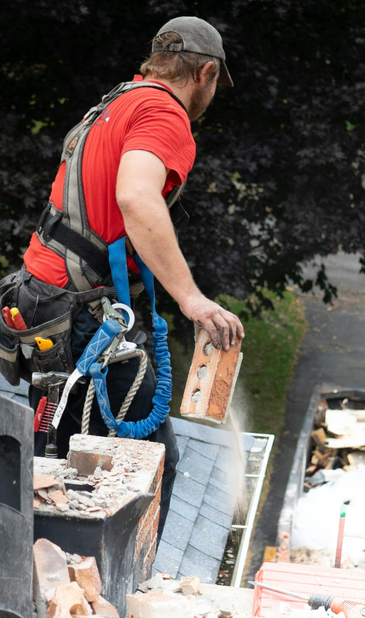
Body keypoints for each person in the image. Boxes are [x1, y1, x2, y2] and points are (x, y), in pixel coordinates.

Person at [19, 16, 244, 541]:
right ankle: (109, 602)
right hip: (82, 317)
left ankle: (41, 580)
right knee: (140, 467)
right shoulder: (164, 114)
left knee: (52, 458)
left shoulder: (119, 101)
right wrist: (189, 298)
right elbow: (137, 196)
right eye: (214, 84)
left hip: (43, 305)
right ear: (206, 72)